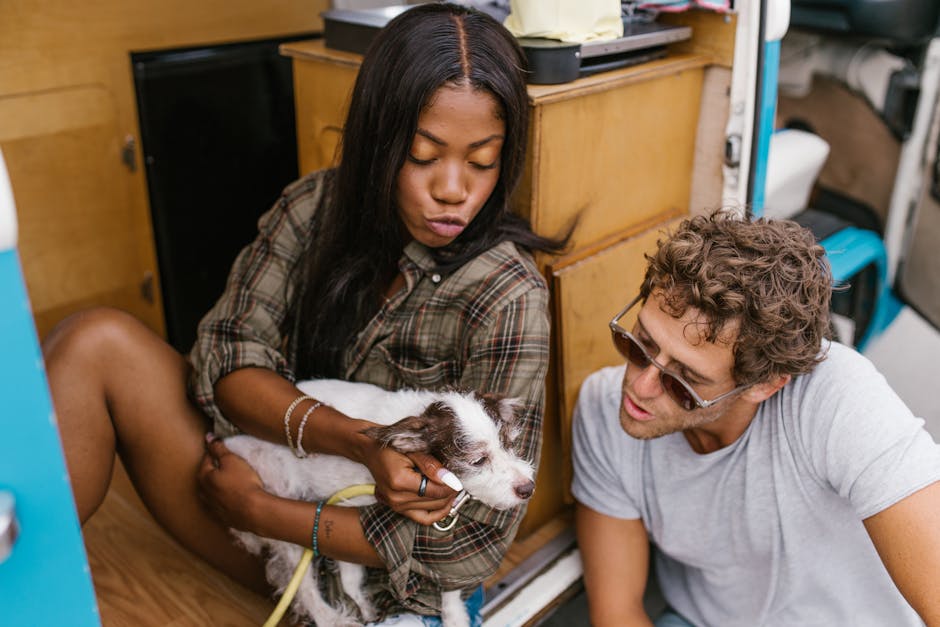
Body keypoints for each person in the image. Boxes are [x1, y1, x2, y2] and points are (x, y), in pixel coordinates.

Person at [43, 4, 567, 624]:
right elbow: (227, 353)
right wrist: (356, 441)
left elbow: (467, 548)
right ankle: (16, 565)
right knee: (93, 340)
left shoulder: (509, 296)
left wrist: (264, 513)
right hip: (256, 488)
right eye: (424, 155)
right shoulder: (314, 206)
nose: (453, 188)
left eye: (482, 162)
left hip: (384, 577)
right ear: (377, 141)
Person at [571, 211, 940, 626]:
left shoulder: (838, 398)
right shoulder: (604, 408)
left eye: (684, 382)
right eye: (638, 346)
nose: (640, 387)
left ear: (763, 386)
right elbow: (617, 613)